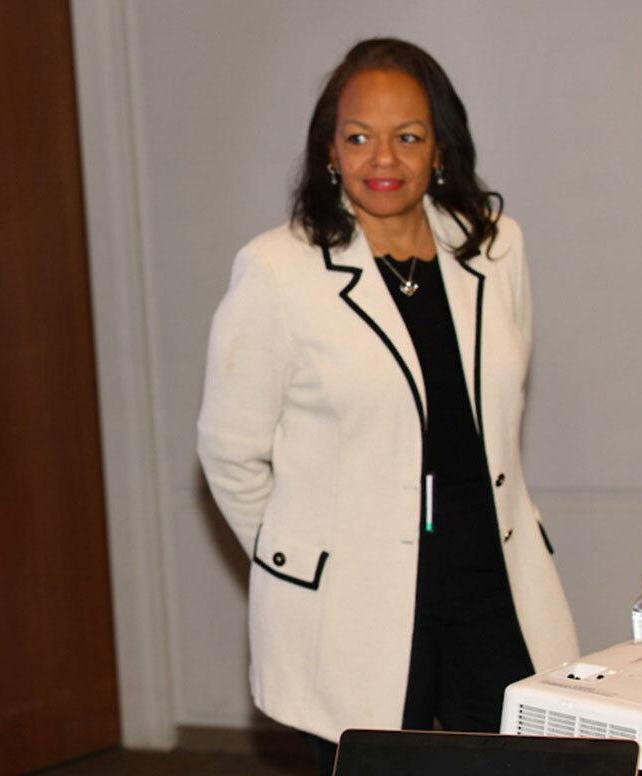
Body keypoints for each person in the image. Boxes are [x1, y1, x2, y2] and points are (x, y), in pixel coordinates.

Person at [196, 38, 577, 775]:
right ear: (330, 151)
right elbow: (229, 451)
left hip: (491, 580)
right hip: (354, 603)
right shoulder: (279, 270)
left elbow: (502, 401)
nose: (383, 159)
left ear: (440, 148)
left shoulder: (496, 250)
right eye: (359, 137)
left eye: (408, 137)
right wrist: (304, 562)